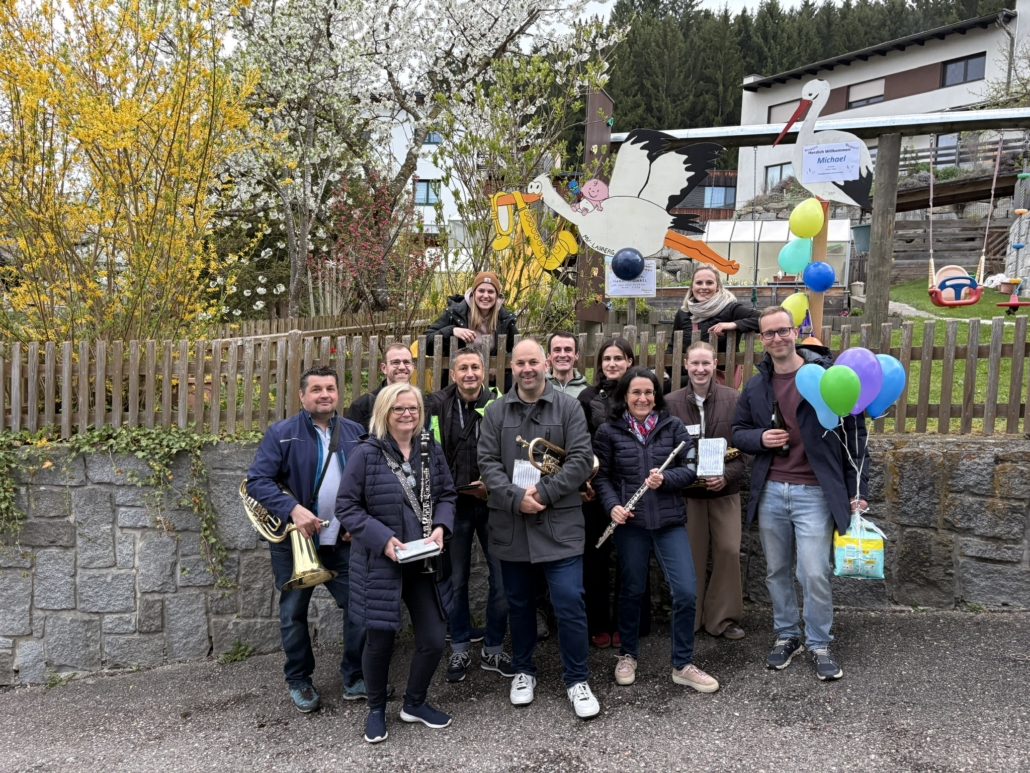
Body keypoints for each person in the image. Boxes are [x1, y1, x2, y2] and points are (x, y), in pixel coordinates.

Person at [732, 306, 869, 682]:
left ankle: (819, 642)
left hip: (815, 493)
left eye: (783, 331)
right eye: (769, 333)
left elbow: (855, 438)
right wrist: (760, 438)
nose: (777, 338)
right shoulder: (757, 385)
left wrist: (858, 489)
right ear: (761, 339)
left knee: (813, 571)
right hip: (772, 490)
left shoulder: (828, 377)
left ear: (795, 332)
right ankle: (787, 635)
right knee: (776, 571)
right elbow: (738, 430)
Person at [478, 338, 600, 719]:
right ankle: (523, 670)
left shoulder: (569, 407)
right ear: (511, 367)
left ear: (545, 363)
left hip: (559, 522)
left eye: (533, 362)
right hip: (512, 523)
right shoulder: (495, 411)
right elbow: (487, 463)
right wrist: (516, 498)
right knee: (519, 604)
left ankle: (577, 679)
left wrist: (544, 493)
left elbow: (581, 459)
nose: (527, 369)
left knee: (569, 603)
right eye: (520, 363)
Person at [245, 365, 371, 712]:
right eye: (316, 389)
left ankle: (354, 677)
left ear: (337, 394)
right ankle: (299, 679)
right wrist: (292, 509)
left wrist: (358, 520)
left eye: (330, 388)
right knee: (293, 615)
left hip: (342, 540)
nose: (324, 394)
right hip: (294, 544)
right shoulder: (281, 432)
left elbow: (369, 481)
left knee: (359, 608)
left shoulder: (356, 432)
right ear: (302, 396)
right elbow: (257, 481)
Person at [337, 383, 457, 743]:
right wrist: (383, 539)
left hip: (424, 562)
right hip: (381, 563)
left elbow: (447, 495)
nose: (407, 414)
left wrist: (441, 527)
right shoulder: (365, 453)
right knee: (379, 642)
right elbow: (347, 507)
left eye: (413, 408)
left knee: (433, 638)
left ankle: (414, 703)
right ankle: (376, 709)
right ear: (384, 413)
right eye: (399, 409)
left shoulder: (431, 449)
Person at [593, 367, 720, 693]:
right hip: (631, 523)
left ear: (656, 395)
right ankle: (628, 654)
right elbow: (602, 477)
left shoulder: (673, 426)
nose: (642, 398)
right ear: (625, 396)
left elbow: (690, 469)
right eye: (636, 392)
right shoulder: (608, 431)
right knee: (632, 590)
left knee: (686, 591)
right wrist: (612, 506)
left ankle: (682, 664)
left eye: (648, 392)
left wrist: (665, 479)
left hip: (669, 522)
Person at [425, 347, 514, 683]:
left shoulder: (500, 403)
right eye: (463, 368)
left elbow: (512, 450)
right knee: (456, 580)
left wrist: (491, 485)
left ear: (485, 370)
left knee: (502, 580)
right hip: (453, 506)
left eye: (475, 367)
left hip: (494, 504)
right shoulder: (435, 405)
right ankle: (460, 647)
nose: (469, 374)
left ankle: (493, 648)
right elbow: (428, 452)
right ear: (453, 374)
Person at [666, 341, 748, 640]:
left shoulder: (734, 398)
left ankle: (722, 619)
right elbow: (663, 449)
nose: (700, 369)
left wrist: (727, 475)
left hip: (725, 491)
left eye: (706, 363)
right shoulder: (670, 402)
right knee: (691, 556)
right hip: (688, 495)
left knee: (728, 550)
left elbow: (745, 447)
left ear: (715, 365)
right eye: (695, 363)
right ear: (686, 365)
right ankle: (689, 617)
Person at [577, 337, 635, 648]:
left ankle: (629, 623)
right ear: (600, 363)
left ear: (629, 361)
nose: (612, 364)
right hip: (596, 487)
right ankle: (598, 623)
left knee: (630, 558)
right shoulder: (587, 397)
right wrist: (585, 482)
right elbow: (579, 442)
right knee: (595, 558)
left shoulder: (638, 392)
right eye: (607, 358)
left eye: (619, 358)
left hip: (632, 485)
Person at [669, 266, 760, 387]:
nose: (704, 287)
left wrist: (734, 324)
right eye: (699, 283)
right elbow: (673, 347)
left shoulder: (730, 309)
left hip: (719, 379)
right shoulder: (683, 313)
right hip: (688, 375)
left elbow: (762, 320)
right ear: (692, 287)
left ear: (717, 286)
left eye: (709, 283)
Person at [422, 271, 518, 358]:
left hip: (492, 373)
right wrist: (452, 330)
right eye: (481, 291)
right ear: (474, 293)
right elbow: (424, 344)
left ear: (497, 296)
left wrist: (499, 365)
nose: (485, 296)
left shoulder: (504, 319)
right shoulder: (456, 314)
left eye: (491, 292)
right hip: (458, 372)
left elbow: (518, 350)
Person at [345, 342, 415, 431]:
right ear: (384, 368)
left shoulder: (424, 404)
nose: (402, 367)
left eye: (406, 362)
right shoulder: (363, 407)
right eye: (395, 362)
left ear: (412, 367)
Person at [545, 331, 588, 397]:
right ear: (549, 356)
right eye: (557, 350)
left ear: (576, 355)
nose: (562, 355)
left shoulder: (588, 392)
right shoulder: (538, 389)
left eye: (568, 350)